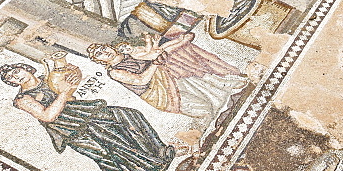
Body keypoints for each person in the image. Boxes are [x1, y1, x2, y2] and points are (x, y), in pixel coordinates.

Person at [0, 62, 175, 171]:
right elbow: (47, 116)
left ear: (25, 67)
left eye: (15, 71)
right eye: (10, 78)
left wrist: (75, 74)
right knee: (104, 156)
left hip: (84, 112)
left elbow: (71, 81)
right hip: (68, 128)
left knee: (129, 117)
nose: (15, 77)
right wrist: (65, 92)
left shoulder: (49, 78)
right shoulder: (23, 99)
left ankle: (159, 152)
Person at [87, 31, 245, 128]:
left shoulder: (131, 53)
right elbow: (142, 80)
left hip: (168, 75)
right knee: (204, 109)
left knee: (178, 62)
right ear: (100, 61)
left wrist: (173, 44)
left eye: (103, 48)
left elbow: (157, 52)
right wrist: (156, 63)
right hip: (159, 93)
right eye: (99, 54)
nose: (104, 52)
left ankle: (226, 83)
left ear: (109, 46)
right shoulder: (115, 72)